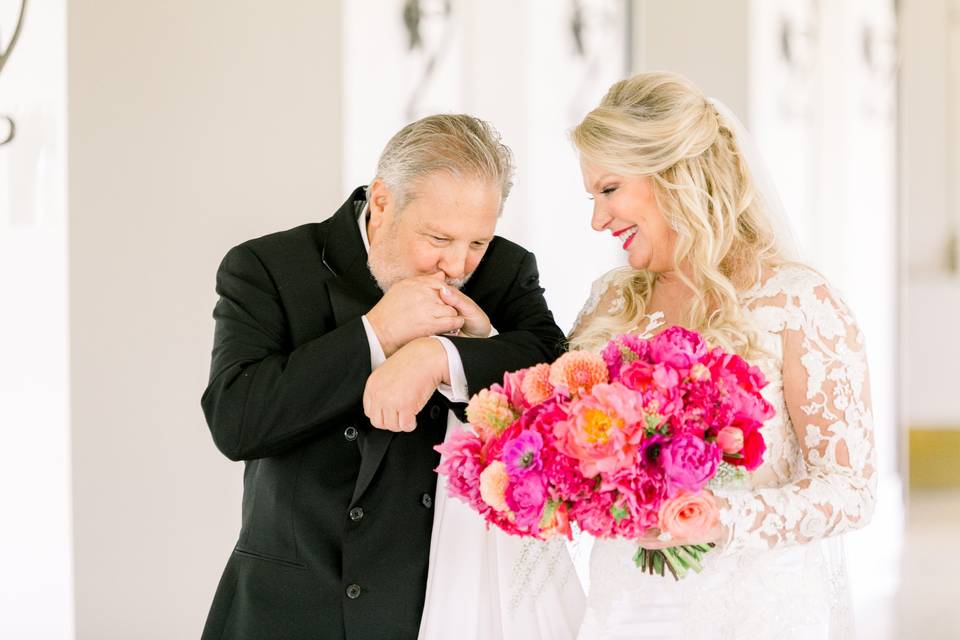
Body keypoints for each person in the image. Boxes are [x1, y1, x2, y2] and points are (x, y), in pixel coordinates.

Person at [199, 114, 573, 640]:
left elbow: (552, 369)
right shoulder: (268, 267)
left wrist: (441, 356)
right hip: (291, 607)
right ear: (381, 201)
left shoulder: (507, 270)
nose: (458, 264)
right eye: (439, 237)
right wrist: (375, 333)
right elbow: (237, 421)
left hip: (433, 603)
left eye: (477, 242)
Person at [566, 72, 877, 639]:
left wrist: (716, 518)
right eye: (592, 197)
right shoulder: (611, 300)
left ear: (672, 176)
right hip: (625, 610)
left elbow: (851, 491)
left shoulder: (797, 302)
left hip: (754, 613)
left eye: (609, 190)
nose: (598, 220)